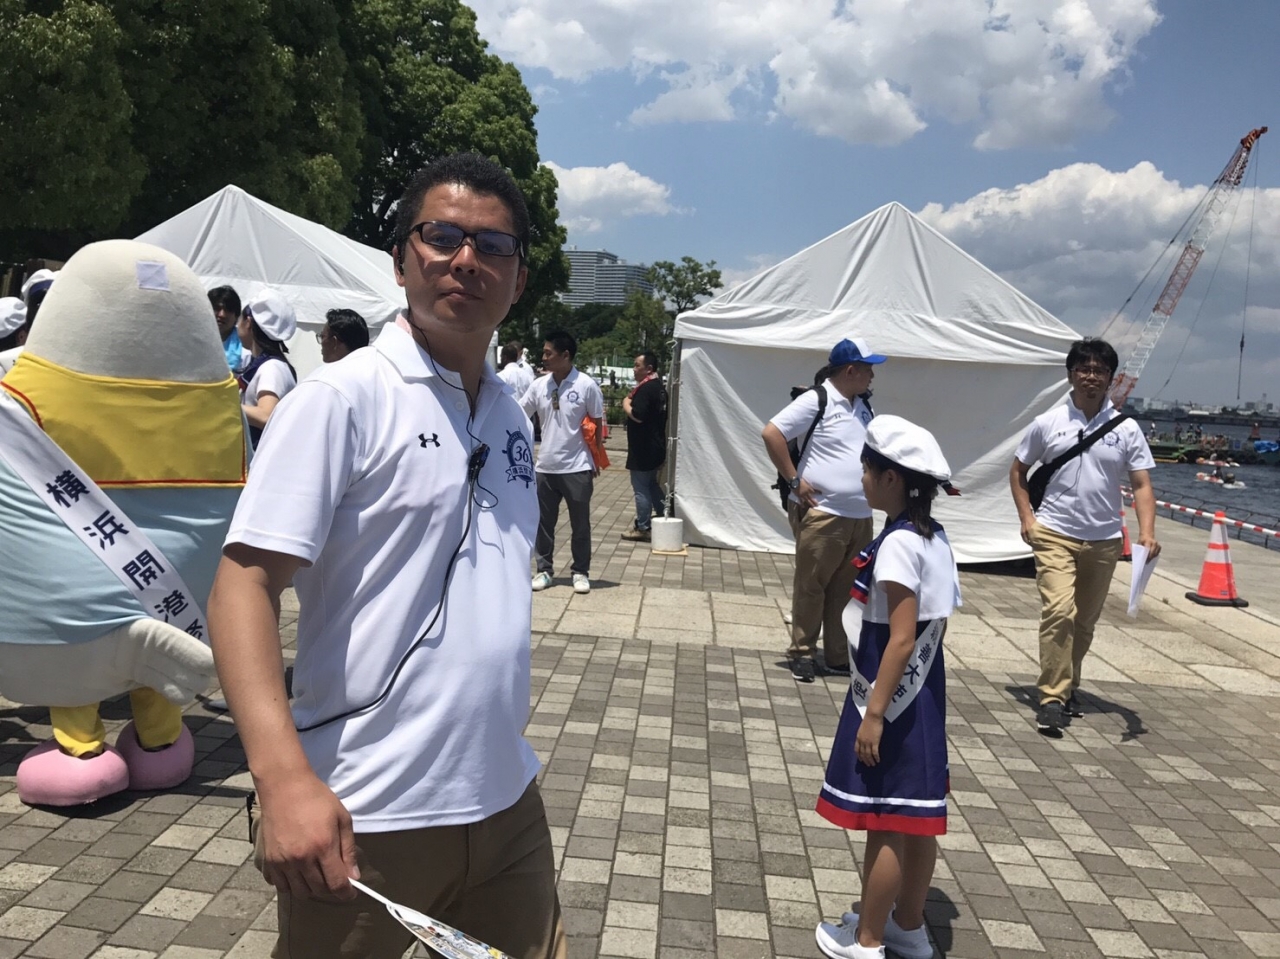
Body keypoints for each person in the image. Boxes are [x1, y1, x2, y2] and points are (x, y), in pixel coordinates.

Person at [207, 152, 564, 959]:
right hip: (365, 809)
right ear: (401, 260)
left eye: (492, 246)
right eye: (441, 236)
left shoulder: (511, 415)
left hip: (504, 799)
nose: (465, 259)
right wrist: (282, 779)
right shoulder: (341, 398)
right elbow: (242, 586)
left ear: (518, 278)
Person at [814, 415, 960, 959]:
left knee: (885, 818)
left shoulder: (898, 544)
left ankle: (868, 940)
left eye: (867, 470)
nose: (862, 479)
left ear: (891, 478)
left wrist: (874, 713)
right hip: (923, 696)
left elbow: (900, 638)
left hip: (891, 696)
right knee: (917, 818)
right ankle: (908, 926)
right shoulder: (933, 535)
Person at [1009, 338, 1159, 736]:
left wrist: (1146, 532)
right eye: (1084, 369)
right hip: (1054, 532)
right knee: (1060, 612)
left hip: (1104, 538)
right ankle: (1052, 698)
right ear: (1071, 375)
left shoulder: (1126, 429)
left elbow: (1141, 484)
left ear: (1110, 378)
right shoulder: (1048, 422)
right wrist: (1027, 518)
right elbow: (1018, 471)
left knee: (1085, 622)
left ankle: (1068, 683)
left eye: (1099, 370)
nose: (1091, 376)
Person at [763, 337, 884, 683]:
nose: (872, 376)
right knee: (812, 585)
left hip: (859, 515)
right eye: (868, 369)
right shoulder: (817, 399)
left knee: (846, 588)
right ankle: (802, 652)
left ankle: (836, 655)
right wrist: (794, 480)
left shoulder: (862, 404)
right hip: (823, 512)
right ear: (851, 370)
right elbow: (772, 433)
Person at [236, 290, 298, 448]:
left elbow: (266, 415)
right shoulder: (268, 364)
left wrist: (225, 405)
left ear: (248, 322)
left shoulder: (272, 367)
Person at [620, 351, 667, 542]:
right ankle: (665, 515)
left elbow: (638, 415)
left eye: (637, 365)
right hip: (655, 445)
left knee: (641, 487)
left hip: (643, 448)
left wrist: (625, 403)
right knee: (651, 484)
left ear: (649, 369)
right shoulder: (659, 387)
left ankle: (643, 526)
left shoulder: (646, 389)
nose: (634, 369)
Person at [209, 285, 245, 371]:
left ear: (236, 316)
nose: (222, 315)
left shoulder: (245, 347)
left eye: (228, 310)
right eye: (217, 308)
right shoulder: (193, 340)